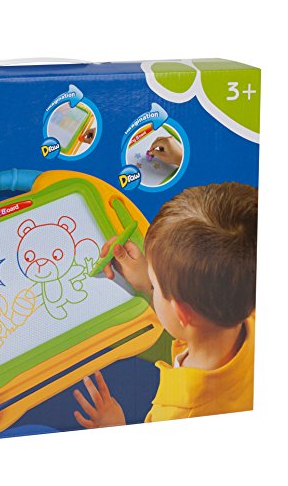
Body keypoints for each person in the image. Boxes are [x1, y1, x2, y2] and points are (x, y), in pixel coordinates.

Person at [73, 182, 257, 427]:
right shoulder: (248, 297)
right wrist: (151, 281)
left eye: (155, 283)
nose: (151, 283)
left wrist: (115, 427)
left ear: (182, 312)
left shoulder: (180, 414)